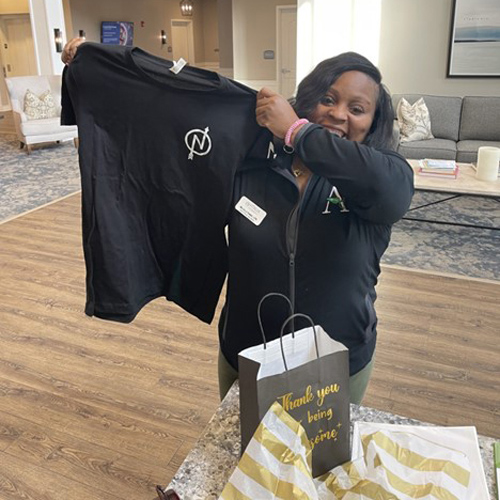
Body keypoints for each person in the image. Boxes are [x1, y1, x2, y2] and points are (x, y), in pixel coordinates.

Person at [62, 42, 413, 405]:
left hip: (336, 362)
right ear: (307, 100)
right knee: (244, 459)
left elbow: (392, 192)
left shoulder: (380, 179)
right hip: (247, 355)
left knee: (321, 463)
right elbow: (166, 134)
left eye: (357, 109)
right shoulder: (253, 164)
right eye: (328, 99)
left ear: (373, 122)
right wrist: (99, 67)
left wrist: (296, 131)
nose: (338, 114)